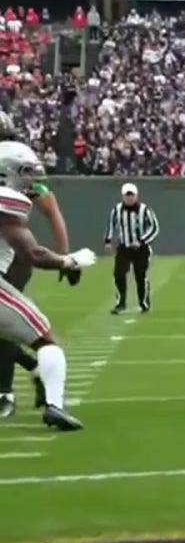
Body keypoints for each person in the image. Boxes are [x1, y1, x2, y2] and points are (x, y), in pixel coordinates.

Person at [0, 142, 99, 431]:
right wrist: (69, 261)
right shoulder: (6, 201)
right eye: (26, 172)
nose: (32, 179)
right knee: (45, 339)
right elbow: (34, 255)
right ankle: (55, 406)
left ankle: (31, 374)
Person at [0, 121, 70, 419]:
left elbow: (49, 206)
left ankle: (12, 388)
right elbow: (33, 249)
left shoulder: (18, 178)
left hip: (11, 264)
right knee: (37, 335)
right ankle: (37, 377)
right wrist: (67, 259)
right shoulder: (11, 190)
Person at [104, 182, 159, 315]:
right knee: (119, 273)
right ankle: (120, 303)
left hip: (141, 249)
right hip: (124, 247)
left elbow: (154, 227)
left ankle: (144, 303)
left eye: (131, 195)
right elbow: (111, 224)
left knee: (140, 276)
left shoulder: (145, 210)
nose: (129, 198)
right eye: (127, 195)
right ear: (122, 196)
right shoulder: (116, 210)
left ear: (136, 196)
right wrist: (108, 240)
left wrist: (142, 240)